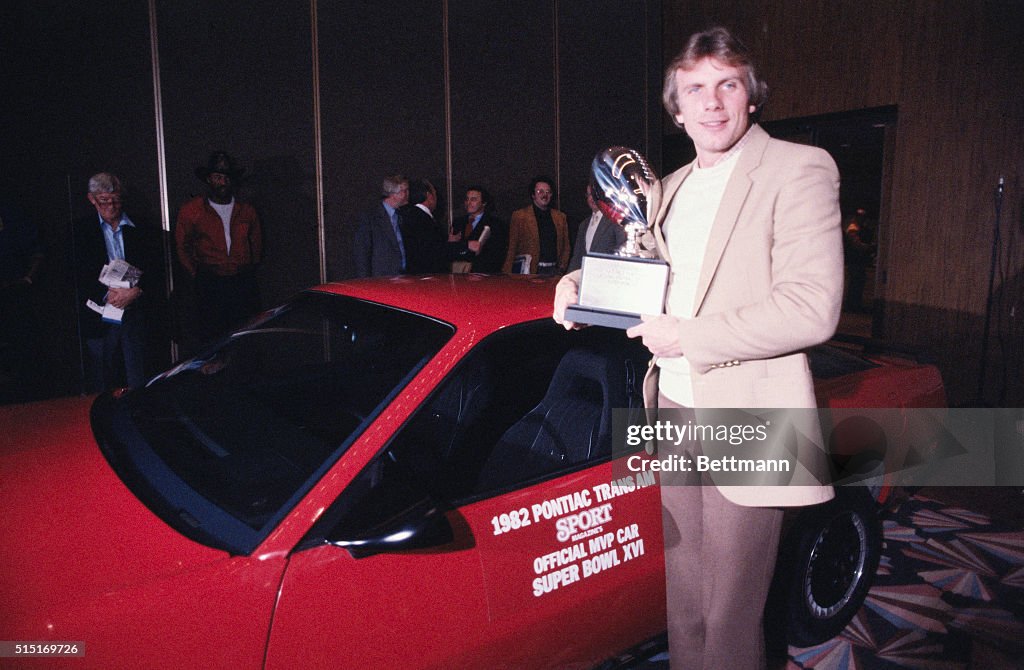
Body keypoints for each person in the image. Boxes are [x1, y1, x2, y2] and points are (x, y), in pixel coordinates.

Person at [554, 26, 842, 669]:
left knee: (732, 613)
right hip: (673, 408)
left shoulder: (799, 168)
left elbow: (812, 307)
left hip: (756, 416)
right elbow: (639, 268)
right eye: (695, 90)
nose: (712, 103)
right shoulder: (670, 188)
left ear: (751, 96)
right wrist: (575, 286)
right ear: (676, 110)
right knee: (682, 604)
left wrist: (691, 336)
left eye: (727, 86)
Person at [73, 173, 158, 392]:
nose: (111, 205)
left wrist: (136, 292)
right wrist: (107, 295)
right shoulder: (79, 231)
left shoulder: (142, 229)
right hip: (100, 313)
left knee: (139, 377)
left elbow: (155, 268)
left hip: (136, 311)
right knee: (102, 378)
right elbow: (76, 274)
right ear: (92, 199)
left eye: (116, 199)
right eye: (104, 200)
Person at [175, 151, 262, 341]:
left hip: (241, 282)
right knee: (212, 336)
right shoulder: (192, 210)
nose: (222, 182)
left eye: (226, 177)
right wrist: (196, 274)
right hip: (210, 282)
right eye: (217, 177)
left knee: (244, 335)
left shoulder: (246, 210)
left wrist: (248, 271)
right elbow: (183, 246)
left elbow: (256, 244)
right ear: (208, 179)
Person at [0, 199, 46, 401]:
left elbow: (37, 252)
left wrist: (27, 279)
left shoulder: (12, 214)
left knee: (21, 355)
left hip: (14, 296)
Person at [503, 176, 569, 275]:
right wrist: (507, 273)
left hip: (554, 272)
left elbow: (566, 246)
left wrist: (562, 267)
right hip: (529, 271)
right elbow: (512, 247)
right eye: (540, 192)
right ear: (533, 195)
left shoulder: (560, 217)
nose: (544, 195)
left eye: (548, 192)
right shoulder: (520, 216)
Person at [353, 175, 409, 277]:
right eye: (404, 191)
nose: (407, 194)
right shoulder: (371, 217)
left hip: (402, 278)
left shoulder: (401, 216)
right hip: (382, 280)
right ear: (394, 194)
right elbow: (362, 253)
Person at [566, 183, 627, 272]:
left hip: (607, 277)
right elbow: (577, 257)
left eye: (595, 194)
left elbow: (622, 251)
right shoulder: (583, 224)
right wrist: (568, 278)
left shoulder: (615, 220)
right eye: (589, 195)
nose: (592, 198)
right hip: (586, 278)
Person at [449, 186, 507, 273]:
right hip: (458, 274)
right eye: (467, 199)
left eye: (473, 199)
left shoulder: (495, 224)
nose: (468, 202)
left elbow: (496, 254)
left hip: (482, 275)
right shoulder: (458, 222)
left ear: (484, 203)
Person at [399, 178, 448, 274]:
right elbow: (434, 249)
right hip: (426, 276)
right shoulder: (423, 218)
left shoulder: (407, 215)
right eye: (434, 193)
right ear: (429, 195)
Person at [842, 207, 876, 312]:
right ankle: (852, 305)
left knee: (857, 282)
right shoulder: (853, 227)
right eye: (860, 216)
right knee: (856, 282)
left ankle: (853, 304)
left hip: (857, 260)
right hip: (854, 260)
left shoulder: (859, 227)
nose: (862, 219)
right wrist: (869, 247)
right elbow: (856, 244)